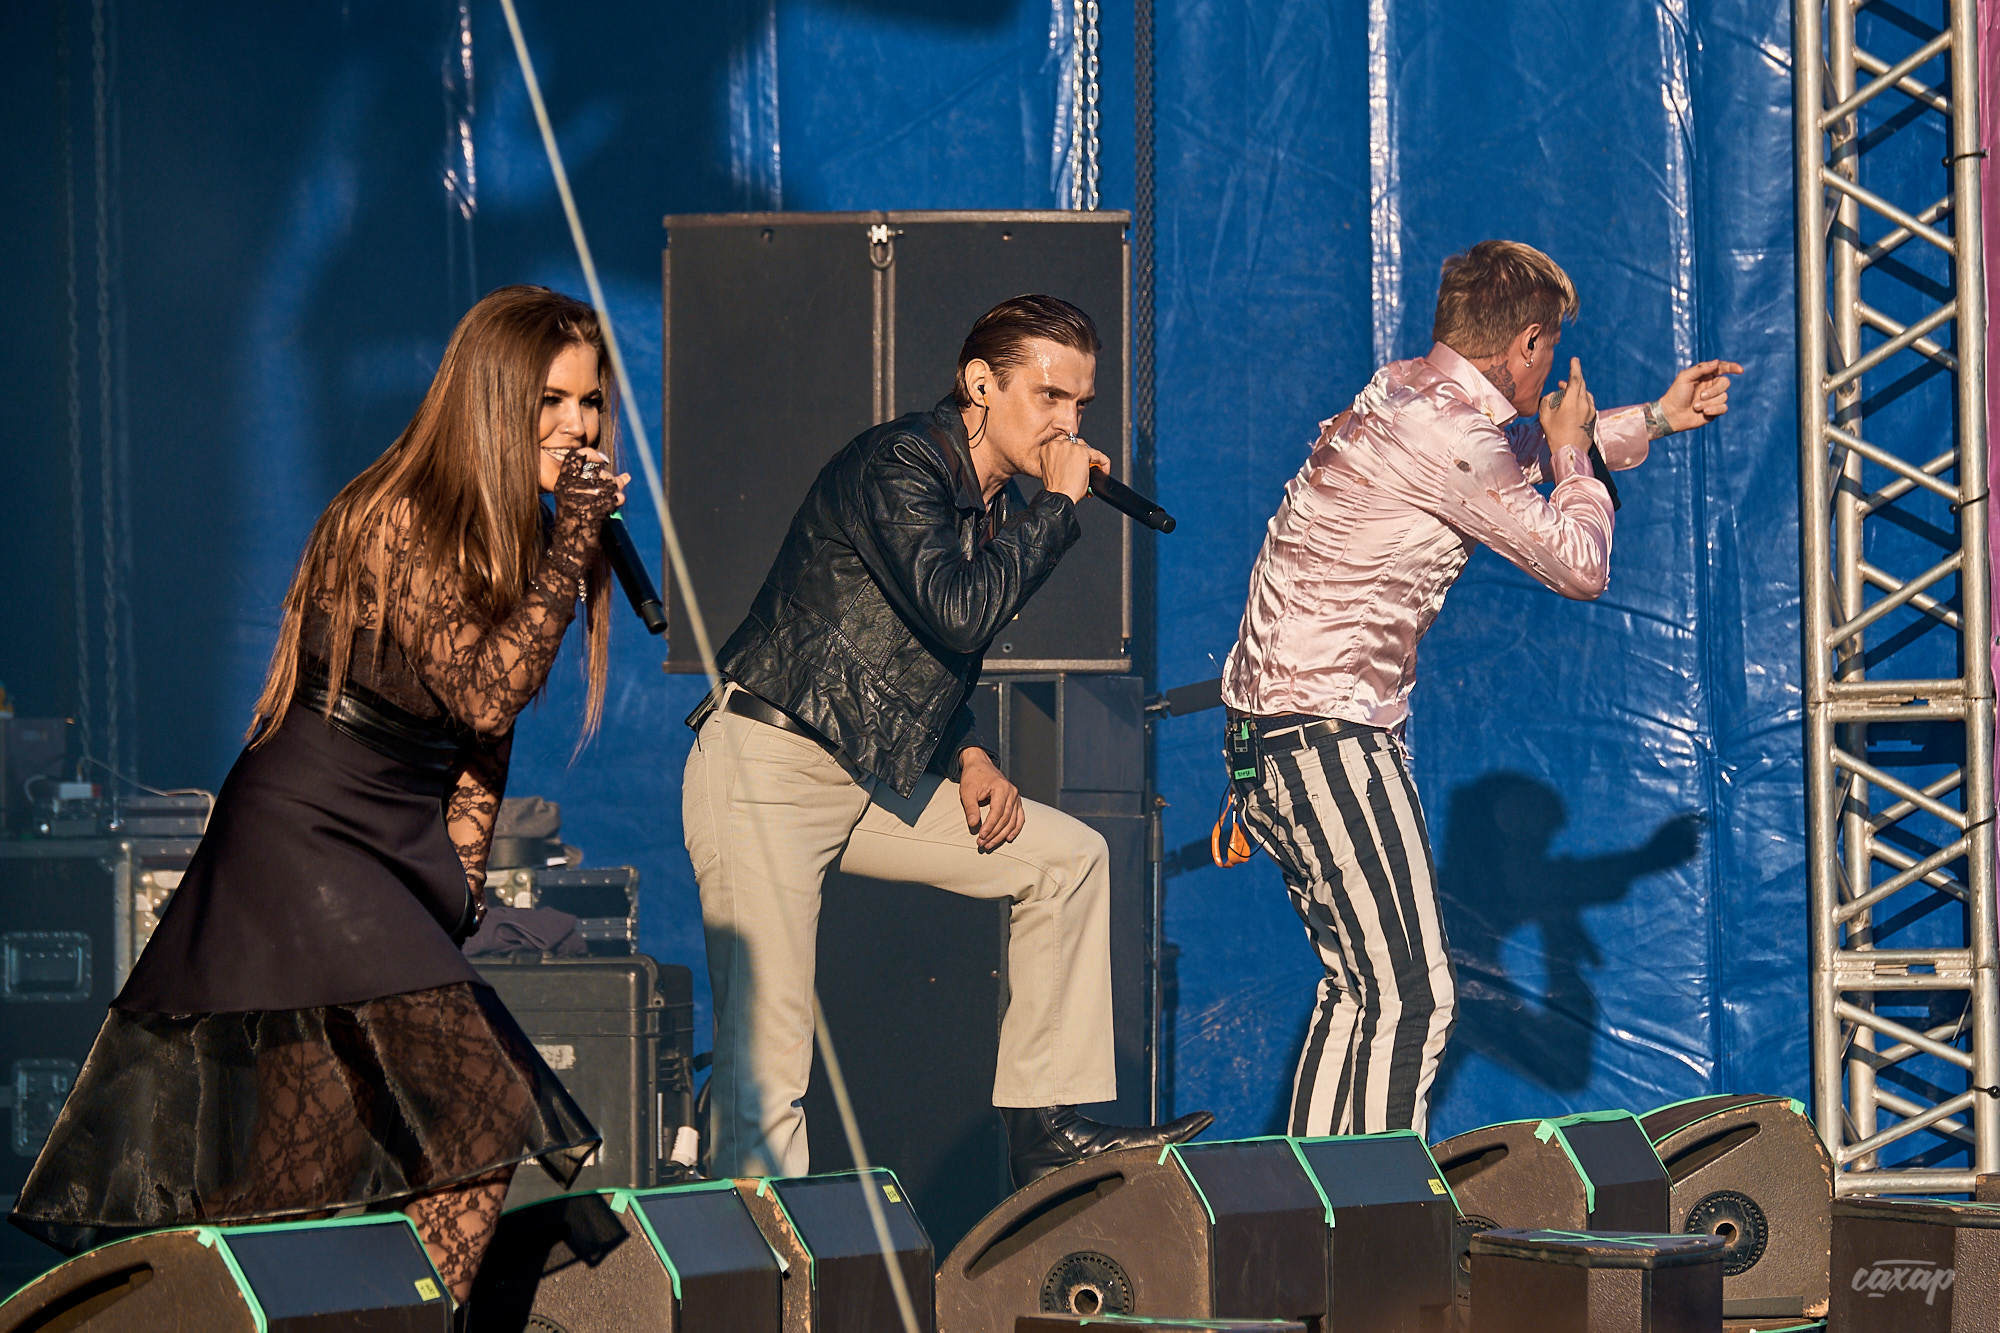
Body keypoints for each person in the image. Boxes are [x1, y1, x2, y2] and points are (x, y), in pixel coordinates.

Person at [10, 285, 630, 1310]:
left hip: (388, 840)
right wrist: (571, 549)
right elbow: (486, 686)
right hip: (306, 832)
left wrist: (460, 883)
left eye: (591, 404)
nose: (575, 427)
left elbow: (483, 738)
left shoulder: (514, 527)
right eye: (551, 401)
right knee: (478, 1112)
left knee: (306, 1164)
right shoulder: (400, 513)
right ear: (491, 400)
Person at [684, 294, 1211, 1187]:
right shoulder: (900, 462)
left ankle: (1044, 1129)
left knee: (1066, 858)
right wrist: (1059, 509)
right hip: (768, 765)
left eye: (1081, 405)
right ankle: (758, 1272)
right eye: (1049, 397)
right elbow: (956, 610)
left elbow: (907, 652)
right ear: (979, 385)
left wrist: (965, 753)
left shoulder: (990, 503)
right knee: (766, 1067)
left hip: (865, 773)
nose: (1068, 423)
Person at [1220, 241, 1741, 1139]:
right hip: (1324, 729)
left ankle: (1298, 1223)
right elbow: (1578, 560)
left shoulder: (1410, 392)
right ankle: (1365, 1227)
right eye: (1554, 346)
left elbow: (1513, 463)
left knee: (1363, 989)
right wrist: (1579, 455)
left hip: (1285, 731)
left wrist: (1651, 418)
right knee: (1410, 995)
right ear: (1530, 343)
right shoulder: (1450, 431)